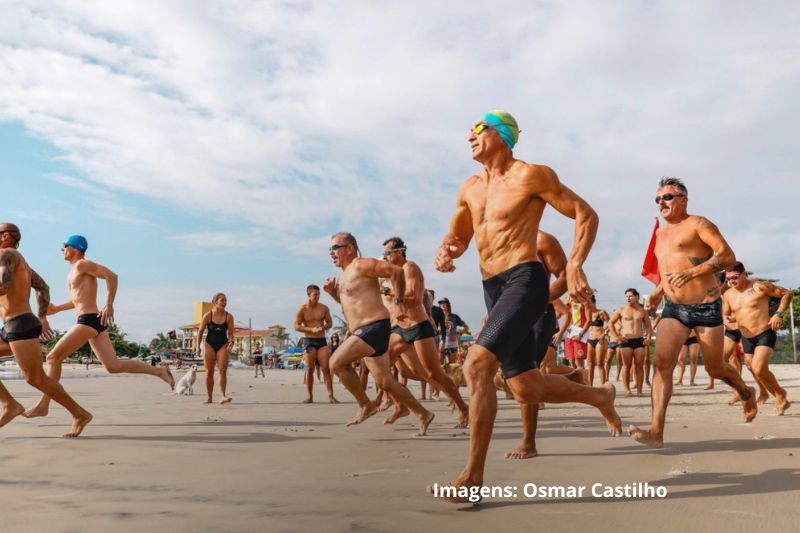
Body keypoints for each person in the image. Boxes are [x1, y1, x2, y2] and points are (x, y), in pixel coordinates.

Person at [431, 110, 619, 501]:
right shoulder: (469, 188)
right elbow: (460, 235)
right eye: (469, 131)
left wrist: (577, 264)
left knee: (477, 364)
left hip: (526, 279)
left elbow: (586, 213)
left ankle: (472, 478)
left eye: (478, 129)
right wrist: (446, 251)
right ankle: (598, 395)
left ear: (502, 134)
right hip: (491, 285)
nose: (470, 136)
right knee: (526, 388)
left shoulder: (531, 175)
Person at [630, 177, 757, 449]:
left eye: (668, 197)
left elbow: (727, 256)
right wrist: (657, 292)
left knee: (715, 368)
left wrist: (692, 273)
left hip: (706, 307)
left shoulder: (699, 224)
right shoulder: (660, 234)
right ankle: (656, 431)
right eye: (658, 199)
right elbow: (668, 271)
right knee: (662, 363)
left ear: (683, 200)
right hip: (674, 310)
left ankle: (746, 392)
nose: (661, 202)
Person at [23, 235, 174, 419]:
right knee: (113, 366)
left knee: (54, 357)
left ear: (75, 248)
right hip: (92, 320)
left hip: (89, 320)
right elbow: (78, 299)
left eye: (64, 246)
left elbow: (111, 276)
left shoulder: (82, 264)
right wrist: (58, 309)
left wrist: (109, 304)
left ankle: (43, 405)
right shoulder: (74, 272)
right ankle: (159, 371)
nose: (62, 250)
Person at [323, 232, 434, 435]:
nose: (331, 253)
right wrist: (333, 294)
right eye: (330, 249)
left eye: (335, 248)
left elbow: (396, 272)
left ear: (350, 248)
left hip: (374, 326)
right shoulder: (345, 272)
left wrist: (399, 302)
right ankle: (423, 413)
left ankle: (366, 405)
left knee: (335, 363)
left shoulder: (361, 264)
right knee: (385, 381)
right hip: (366, 329)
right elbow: (351, 306)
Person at [0, 223, 92, 436]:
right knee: (35, 377)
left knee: (35, 378)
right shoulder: (20, 260)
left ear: (5, 237)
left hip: (20, 325)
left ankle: (80, 414)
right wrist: (42, 317)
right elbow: (42, 287)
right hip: (12, 325)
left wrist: (41, 316)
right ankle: (10, 406)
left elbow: (3, 286)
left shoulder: (6, 254)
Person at [381, 236, 469, 427]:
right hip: (399, 328)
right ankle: (400, 406)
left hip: (418, 326)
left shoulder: (409, 268)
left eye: (388, 253)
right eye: (384, 253)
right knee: (382, 365)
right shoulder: (391, 274)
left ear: (400, 252)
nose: (385, 256)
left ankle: (464, 408)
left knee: (433, 372)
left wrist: (389, 292)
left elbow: (413, 298)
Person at [723, 262, 791, 415]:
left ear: (744, 274)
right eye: (728, 279)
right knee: (754, 369)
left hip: (764, 333)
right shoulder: (728, 294)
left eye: (735, 277)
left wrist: (778, 314)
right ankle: (776, 396)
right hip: (746, 337)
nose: (731, 281)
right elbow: (725, 314)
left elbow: (787, 294)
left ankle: (780, 394)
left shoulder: (760, 287)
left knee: (758, 368)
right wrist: (728, 319)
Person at [294, 285, 338, 403]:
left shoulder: (324, 308)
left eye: (319, 294)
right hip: (309, 341)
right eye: (315, 295)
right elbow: (296, 326)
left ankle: (331, 396)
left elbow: (329, 323)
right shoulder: (302, 309)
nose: (318, 297)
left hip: (322, 341)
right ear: (309, 295)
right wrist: (311, 330)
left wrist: (323, 327)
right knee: (310, 369)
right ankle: (310, 396)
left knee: (326, 369)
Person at [609, 288, 652, 397]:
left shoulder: (642, 311)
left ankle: (639, 390)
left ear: (637, 297)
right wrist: (617, 336)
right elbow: (611, 323)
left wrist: (648, 338)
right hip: (626, 340)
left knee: (639, 366)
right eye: (627, 296)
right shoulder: (621, 310)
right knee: (626, 366)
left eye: (630, 296)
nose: (628, 298)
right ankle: (627, 390)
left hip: (639, 340)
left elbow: (648, 326)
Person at [196, 293, 235, 404]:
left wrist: (231, 341)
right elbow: (200, 331)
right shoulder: (208, 315)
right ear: (215, 302)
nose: (224, 302)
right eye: (222, 300)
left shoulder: (229, 316)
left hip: (223, 344)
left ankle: (223, 396)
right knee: (209, 372)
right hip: (209, 345)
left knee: (222, 370)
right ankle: (209, 397)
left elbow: (231, 333)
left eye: (226, 300)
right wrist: (198, 347)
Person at [579, 296, 609, 385]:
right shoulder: (587, 314)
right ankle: (590, 386)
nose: (587, 305)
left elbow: (610, 324)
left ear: (594, 302)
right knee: (590, 365)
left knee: (600, 364)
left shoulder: (601, 312)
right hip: (590, 340)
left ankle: (603, 386)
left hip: (600, 340)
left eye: (589, 303)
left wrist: (604, 334)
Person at [438, 298, 467, 365]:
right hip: (441, 345)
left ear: (448, 304)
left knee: (452, 366)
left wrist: (457, 335)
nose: (442, 304)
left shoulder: (454, 317)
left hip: (452, 345)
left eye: (444, 303)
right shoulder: (438, 316)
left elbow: (466, 327)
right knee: (440, 366)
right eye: (440, 303)